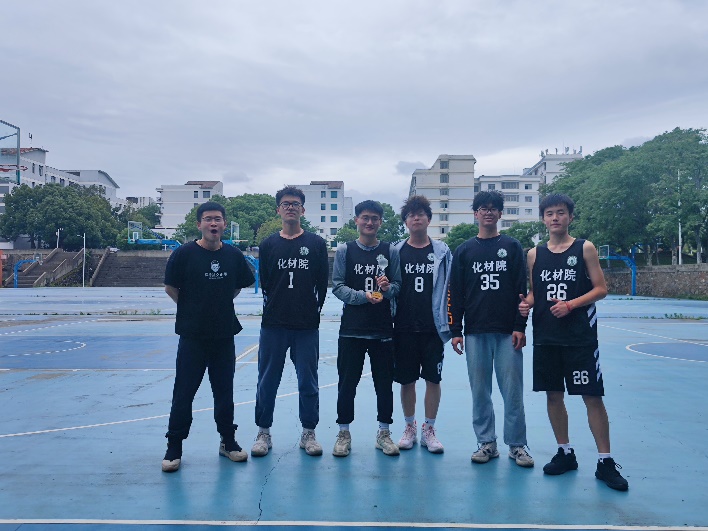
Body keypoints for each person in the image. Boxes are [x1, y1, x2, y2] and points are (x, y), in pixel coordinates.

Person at [519, 193, 629, 491]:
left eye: (560, 212)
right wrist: (526, 304)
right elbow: (536, 291)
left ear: (570, 216)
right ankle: (565, 452)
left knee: (591, 396)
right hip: (546, 336)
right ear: (543, 219)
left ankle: (605, 461)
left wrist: (571, 304)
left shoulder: (585, 248)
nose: (555, 217)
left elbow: (600, 289)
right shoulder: (534, 254)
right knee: (553, 395)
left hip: (579, 337)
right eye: (550, 213)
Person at [161, 201, 255, 472]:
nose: (213, 223)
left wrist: (218, 304)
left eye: (218, 219)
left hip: (224, 335)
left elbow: (237, 287)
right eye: (208, 219)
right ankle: (174, 446)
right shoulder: (184, 254)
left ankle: (228, 441)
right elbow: (170, 287)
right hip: (192, 336)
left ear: (224, 224)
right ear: (199, 224)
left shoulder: (233, 255)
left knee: (224, 392)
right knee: (184, 392)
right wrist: (191, 309)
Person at [449, 190, 534, 467]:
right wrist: (456, 330)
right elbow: (456, 293)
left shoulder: (512, 246)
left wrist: (520, 326)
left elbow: (521, 290)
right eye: (483, 208)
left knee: (512, 391)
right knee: (480, 391)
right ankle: (486, 443)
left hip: (508, 331)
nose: (488, 212)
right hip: (475, 331)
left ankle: (517, 445)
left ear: (500, 214)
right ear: (475, 214)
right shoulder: (464, 250)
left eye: (493, 208)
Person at [251, 187, 329, 457]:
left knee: (308, 381)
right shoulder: (268, 245)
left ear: (303, 210)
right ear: (278, 210)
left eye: (296, 204)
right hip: (274, 325)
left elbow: (321, 284)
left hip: (306, 326)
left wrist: (311, 312)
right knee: (267, 381)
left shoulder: (316, 244)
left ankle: (309, 432)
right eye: (286, 204)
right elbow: (266, 283)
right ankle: (263, 432)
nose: (291, 207)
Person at [331, 200, 402, 457]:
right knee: (346, 384)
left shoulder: (390, 251)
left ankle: (384, 433)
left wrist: (386, 289)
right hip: (352, 329)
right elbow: (337, 286)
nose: (369, 222)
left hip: (382, 329)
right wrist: (363, 296)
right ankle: (343, 433)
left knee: (384, 384)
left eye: (374, 218)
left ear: (380, 222)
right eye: (365, 217)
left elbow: (398, 287)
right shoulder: (345, 250)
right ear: (357, 221)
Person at [392, 195, 453, 453]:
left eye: (420, 214)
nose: (416, 218)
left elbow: (450, 288)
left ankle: (429, 429)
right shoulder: (396, 251)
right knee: (406, 381)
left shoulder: (442, 252)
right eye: (411, 215)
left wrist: (452, 324)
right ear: (406, 221)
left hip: (432, 328)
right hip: (403, 326)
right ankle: (409, 426)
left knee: (433, 379)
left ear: (429, 219)